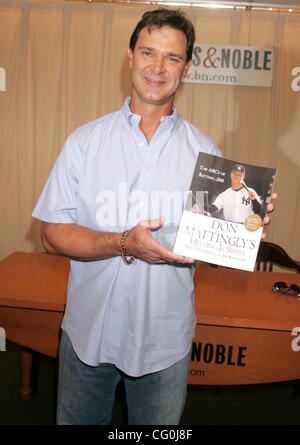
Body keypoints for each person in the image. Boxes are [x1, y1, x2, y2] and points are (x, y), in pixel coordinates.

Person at [32, 8, 275, 425]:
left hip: (163, 343)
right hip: (88, 334)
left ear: (187, 68)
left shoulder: (206, 154)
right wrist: (123, 242)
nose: (158, 68)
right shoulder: (85, 142)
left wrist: (245, 224)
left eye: (172, 58)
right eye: (148, 52)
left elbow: (212, 250)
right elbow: (51, 236)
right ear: (130, 56)